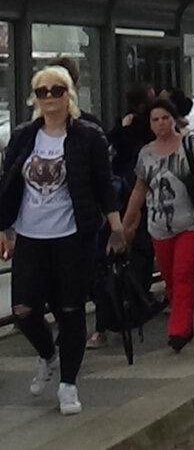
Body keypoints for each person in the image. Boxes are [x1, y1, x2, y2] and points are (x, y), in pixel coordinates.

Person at [0, 65, 126, 415]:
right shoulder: (24, 136)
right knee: (24, 310)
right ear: (35, 97)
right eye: (42, 91)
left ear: (69, 93)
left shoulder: (87, 136)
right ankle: (47, 354)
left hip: (73, 236)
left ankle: (68, 385)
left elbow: (104, 184)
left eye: (56, 90)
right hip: (31, 236)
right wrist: (4, 229)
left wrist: (117, 228)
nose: (49, 97)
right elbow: (8, 183)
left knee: (70, 310)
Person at [121, 99, 194, 351]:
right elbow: (139, 190)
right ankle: (184, 325)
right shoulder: (146, 153)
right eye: (155, 120)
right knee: (170, 278)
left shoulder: (190, 144)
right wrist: (125, 225)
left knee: (183, 274)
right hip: (159, 226)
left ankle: (178, 331)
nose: (161, 124)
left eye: (165, 118)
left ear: (173, 119)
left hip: (191, 223)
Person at [89, 82, 158, 349]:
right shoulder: (136, 134)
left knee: (112, 264)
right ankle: (121, 315)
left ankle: (109, 322)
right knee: (126, 262)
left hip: (125, 203)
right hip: (130, 202)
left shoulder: (122, 131)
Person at [45, 56, 102, 127]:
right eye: (42, 92)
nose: (49, 96)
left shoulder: (91, 127)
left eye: (58, 91)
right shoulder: (92, 125)